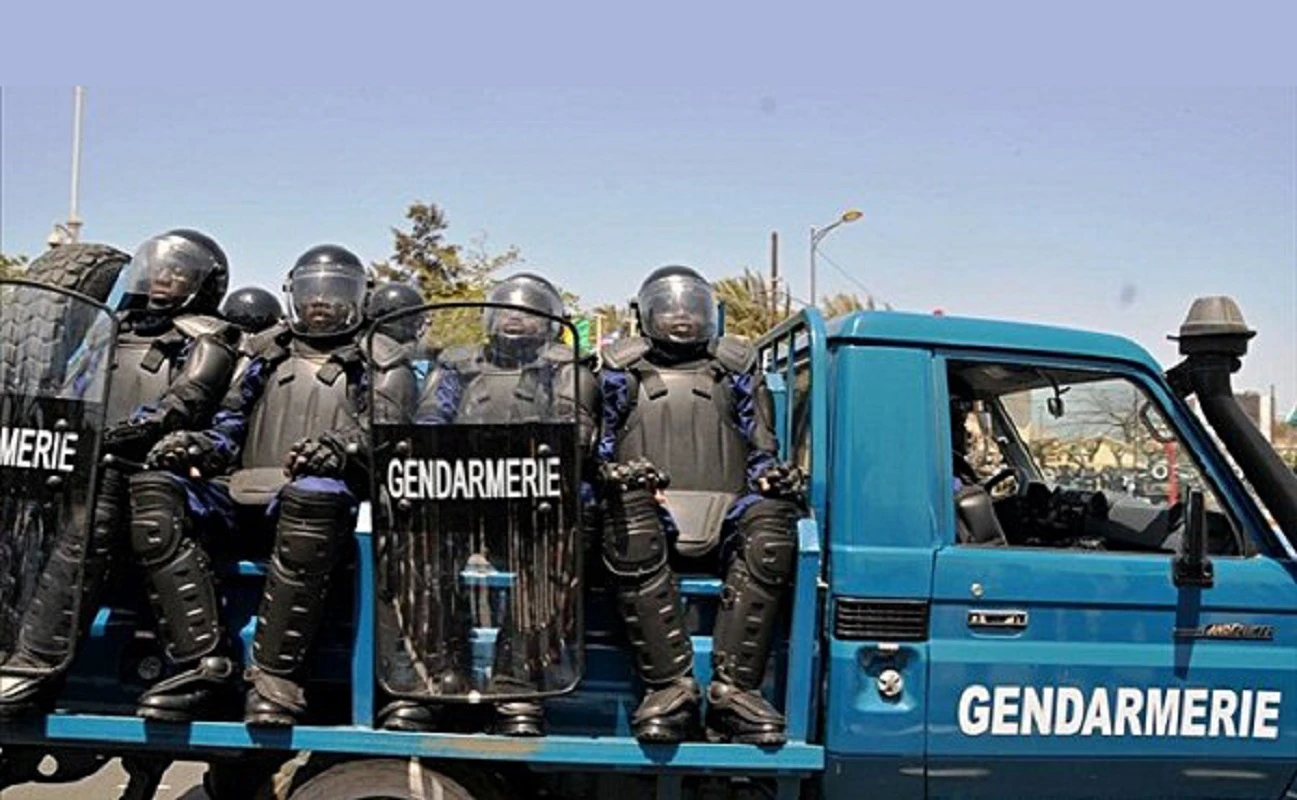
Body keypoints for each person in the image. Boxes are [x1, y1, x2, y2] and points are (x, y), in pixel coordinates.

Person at [134, 244, 417, 725]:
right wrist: (197, 446)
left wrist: (340, 449)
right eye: (312, 292)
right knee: (156, 488)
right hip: (243, 489)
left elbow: (386, 432)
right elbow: (230, 425)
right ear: (294, 294)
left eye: (334, 293)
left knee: (314, 494)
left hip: (330, 501)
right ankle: (202, 663)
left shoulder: (382, 359)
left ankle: (274, 678)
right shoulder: (264, 350)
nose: (321, 303)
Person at [0, 229, 238, 717]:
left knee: (103, 495)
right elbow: (71, 389)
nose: (163, 277)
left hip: (162, 464)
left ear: (206, 283)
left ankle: (39, 663)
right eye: (159, 267)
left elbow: (183, 403)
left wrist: (125, 433)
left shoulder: (209, 338)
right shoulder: (109, 331)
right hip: (85, 458)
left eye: (179, 271)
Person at [379, 272, 598, 736]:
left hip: (533, 497)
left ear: (550, 322)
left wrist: (547, 450)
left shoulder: (566, 367)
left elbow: (573, 423)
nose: (516, 318)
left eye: (528, 311)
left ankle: (518, 681)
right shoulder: (458, 365)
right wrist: (430, 447)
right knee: (417, 542)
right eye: (508, 309)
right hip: (461, 491)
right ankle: (434, 676)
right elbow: (430, 416)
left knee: (553, 550)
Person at [596, 265, 803, 746]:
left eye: (691, 307)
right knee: (628, 521)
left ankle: (736, 693)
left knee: (773, 526)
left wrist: (773, 477)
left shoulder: (734, 365)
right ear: (647, 312)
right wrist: (618, 476)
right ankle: (668, 689)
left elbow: (759, 450)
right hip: (649, 507)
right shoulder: (619, 369)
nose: (682, 316)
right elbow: (599, 451)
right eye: (670, 307)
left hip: (727, 508)